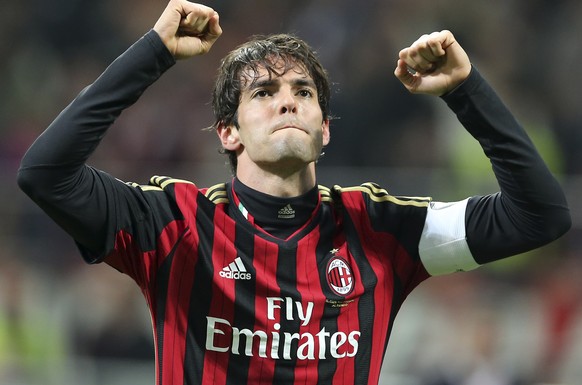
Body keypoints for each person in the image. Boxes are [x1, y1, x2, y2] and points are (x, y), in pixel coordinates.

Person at [17, 1, 571, 384]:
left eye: (302, 92)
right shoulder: (174, 223)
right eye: (264, 92)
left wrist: (464, 90)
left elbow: (539, 216)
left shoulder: (379, 227)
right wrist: (153, 53)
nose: (287, 102)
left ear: (324, 129)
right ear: (228, 132)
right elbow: (45, 173)